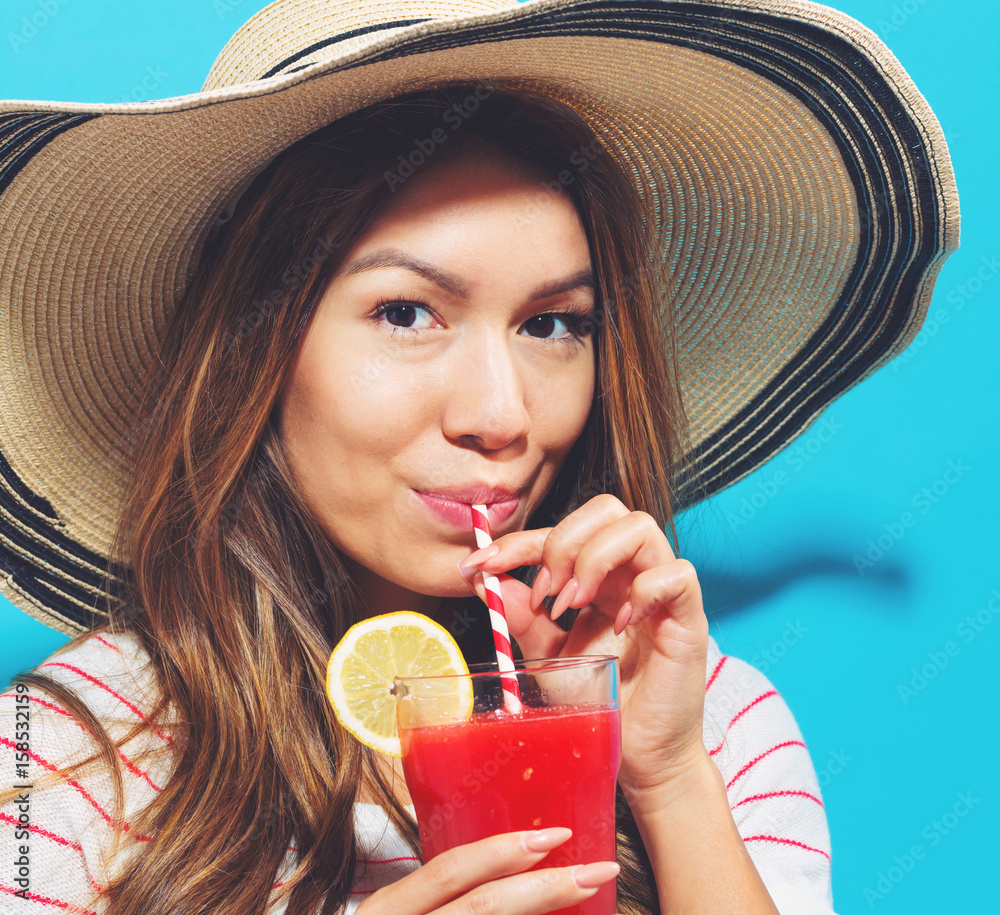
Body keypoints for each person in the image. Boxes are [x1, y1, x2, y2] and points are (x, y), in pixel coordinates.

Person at [0, 1, 958, 913]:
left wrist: (667, 780)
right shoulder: (65, 753)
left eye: (551, 324)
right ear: (258, 349)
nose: (503, 414)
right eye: (407, 313)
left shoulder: (709, 720)